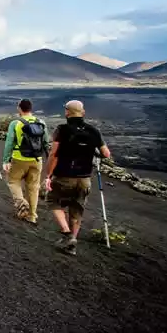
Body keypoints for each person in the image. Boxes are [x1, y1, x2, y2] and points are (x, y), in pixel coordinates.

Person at [44, 100, 111, 256]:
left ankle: (67, 234)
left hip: (64, 176)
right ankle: (72, 244)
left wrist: (48, 175)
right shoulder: (93, 131)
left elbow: (54, 154)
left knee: (52, 200)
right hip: (84, 179)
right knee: (77, 210)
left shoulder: (62, 130)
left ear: (67, 112)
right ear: (83, 112)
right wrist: (94, 152)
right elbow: (106, 154)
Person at [2, 98, 48, 224]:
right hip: (36, 159)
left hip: (19, 158)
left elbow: (9, 143)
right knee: (33, 187)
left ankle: (22, 203)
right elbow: (45, 142)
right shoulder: (41, 122)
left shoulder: (15, 123)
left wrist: (6, 160)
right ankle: (32, 216)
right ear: (31, 108)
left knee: (13, 181)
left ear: (19, 108)